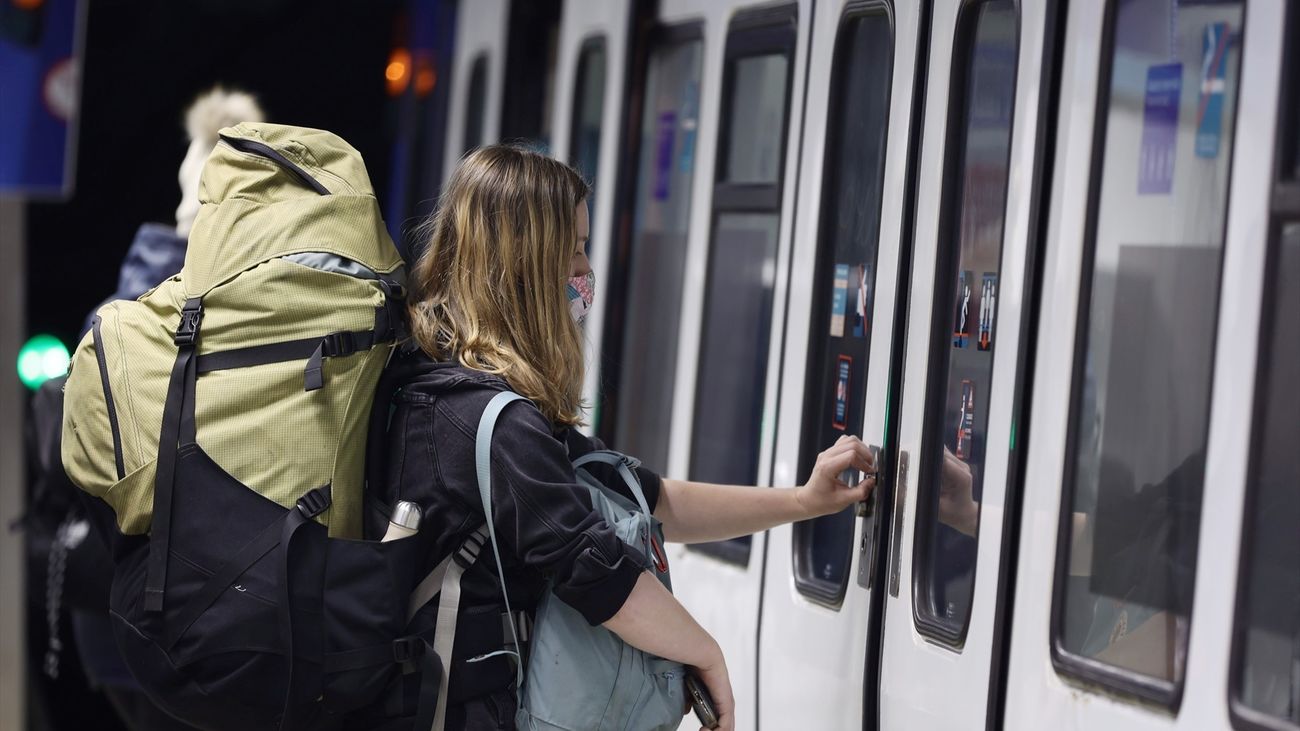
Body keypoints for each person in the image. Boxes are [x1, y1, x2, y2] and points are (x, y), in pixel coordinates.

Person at [383, 144, 878, 731]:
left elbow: (649, 497)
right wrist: (705, 653)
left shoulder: (431, 381)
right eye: (573, 250)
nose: (585, 271)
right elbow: (596, 573)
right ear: (523, 265)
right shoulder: (496, 425)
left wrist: (803, 502)